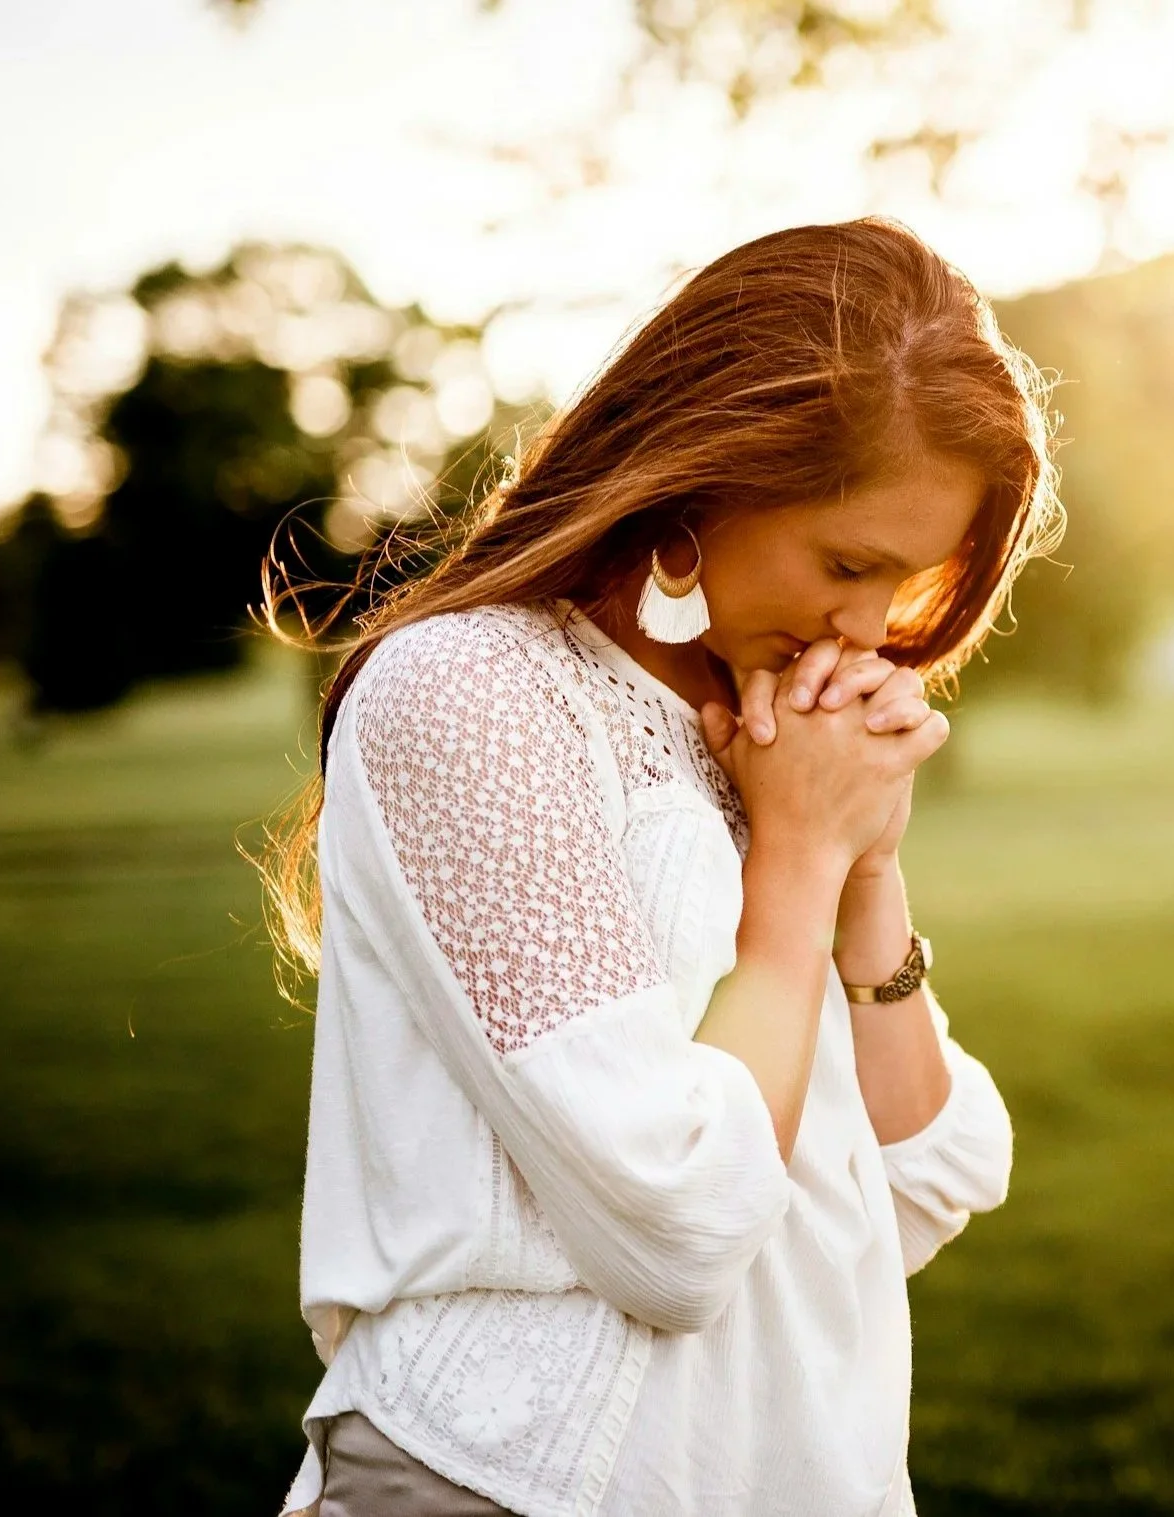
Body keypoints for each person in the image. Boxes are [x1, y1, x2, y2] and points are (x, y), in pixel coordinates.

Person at [260, 217, 1061, 1517]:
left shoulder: (764, 725)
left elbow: (926, 1178)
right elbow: (680, 1224)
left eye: (905, 582)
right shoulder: (474, 695)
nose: (868, 629)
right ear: (704, 478)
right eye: (846, 564)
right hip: (504, 1481)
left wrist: (864, 864)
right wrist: (797, 863)